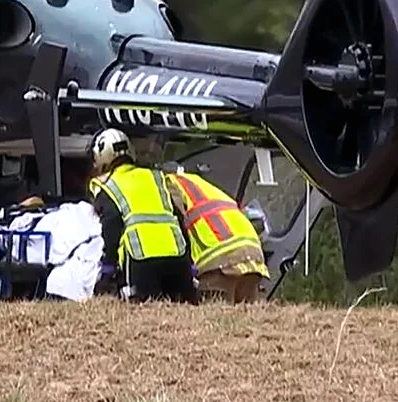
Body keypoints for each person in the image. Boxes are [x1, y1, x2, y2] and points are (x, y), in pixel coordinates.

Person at [87, 128, 198, 304]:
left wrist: (108, 267)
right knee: (185, 312)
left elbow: (111, 225)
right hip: (177, 257)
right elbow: (177, 217)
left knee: (143, 313)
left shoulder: (107, 186)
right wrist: (189, 262)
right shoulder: (157, 177)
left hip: (141, 260)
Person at [162, 162, 270, 304]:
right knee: (247, 319)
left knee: (215, 319)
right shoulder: (199, 183)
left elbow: (176, 222)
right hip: (253, 253)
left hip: (220, 259)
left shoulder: (168, 184)